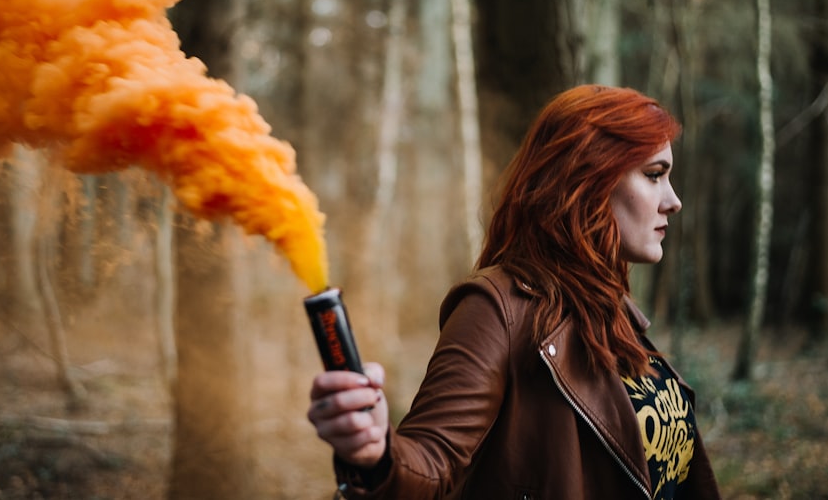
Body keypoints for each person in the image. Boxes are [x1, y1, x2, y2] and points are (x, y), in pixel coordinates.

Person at [307, 85, 722, 500]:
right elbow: (433, 465)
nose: (674, 201)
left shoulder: (611, 310)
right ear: (589, 178)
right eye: (654, 175)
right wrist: (377, 452)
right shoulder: (496, 308)